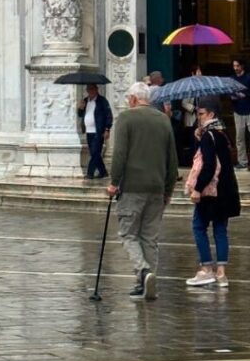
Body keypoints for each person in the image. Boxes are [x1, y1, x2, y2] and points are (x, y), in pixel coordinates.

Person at [107, 81, 179, 301]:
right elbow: (173, 161)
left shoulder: (126, 119)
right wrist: (168, 190)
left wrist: (113, 182)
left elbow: (119, 154)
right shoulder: (163, 120)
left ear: (133, 99)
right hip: (157, 187)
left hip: (132, 187)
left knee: (128, 234)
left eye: (128, 98)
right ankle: (145, 284)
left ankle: (143, 270)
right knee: (149, 238)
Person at [184, 96, 241, 288]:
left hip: (211, 191)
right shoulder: (222, 133)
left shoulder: (209, 136)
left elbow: (208, 166)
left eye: (201, 114)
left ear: (211, 114)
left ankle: (207, 269)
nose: (198, 117)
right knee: (220, 230)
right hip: (226, 191)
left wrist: (197, 188)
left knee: (199, 227)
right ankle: (221, 273)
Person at [78, 83, 112, 179]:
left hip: (98, 131)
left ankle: (90, 173)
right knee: (94, 153)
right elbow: (80, 114)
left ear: (96, 89)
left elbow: (108, 115)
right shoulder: (85, 101)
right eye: (89, 89)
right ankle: (103, 172)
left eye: (92, 89)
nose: (90, 91)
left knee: (95, 151)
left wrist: (107, 129)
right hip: (88, 131)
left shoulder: (102, 101)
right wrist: (80, 108)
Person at [232, 58, 250, 170]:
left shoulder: (248, 78)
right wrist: (232, 96)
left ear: (242, 66)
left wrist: (245, 95)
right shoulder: (232, 79)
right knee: (239, 138)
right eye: (234, 66)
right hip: (238, 111)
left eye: (237, 65)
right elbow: (228, 92)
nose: (235, 68)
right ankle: (243, 162)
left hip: (249, 110)